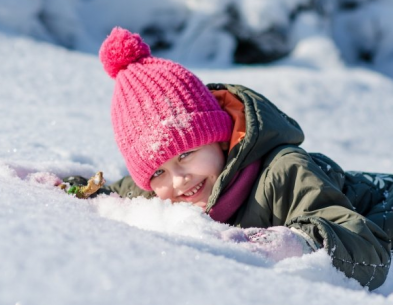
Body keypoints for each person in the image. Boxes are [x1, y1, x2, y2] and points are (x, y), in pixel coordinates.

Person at [69, 27, 393, 290]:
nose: (178, 179)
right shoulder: (162, 190)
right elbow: (120, 190)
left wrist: (297, 244)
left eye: (186, 154)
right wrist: (75, 187)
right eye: (157, 171)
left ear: (220, 139)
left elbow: (369, 250)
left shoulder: (284, 171)